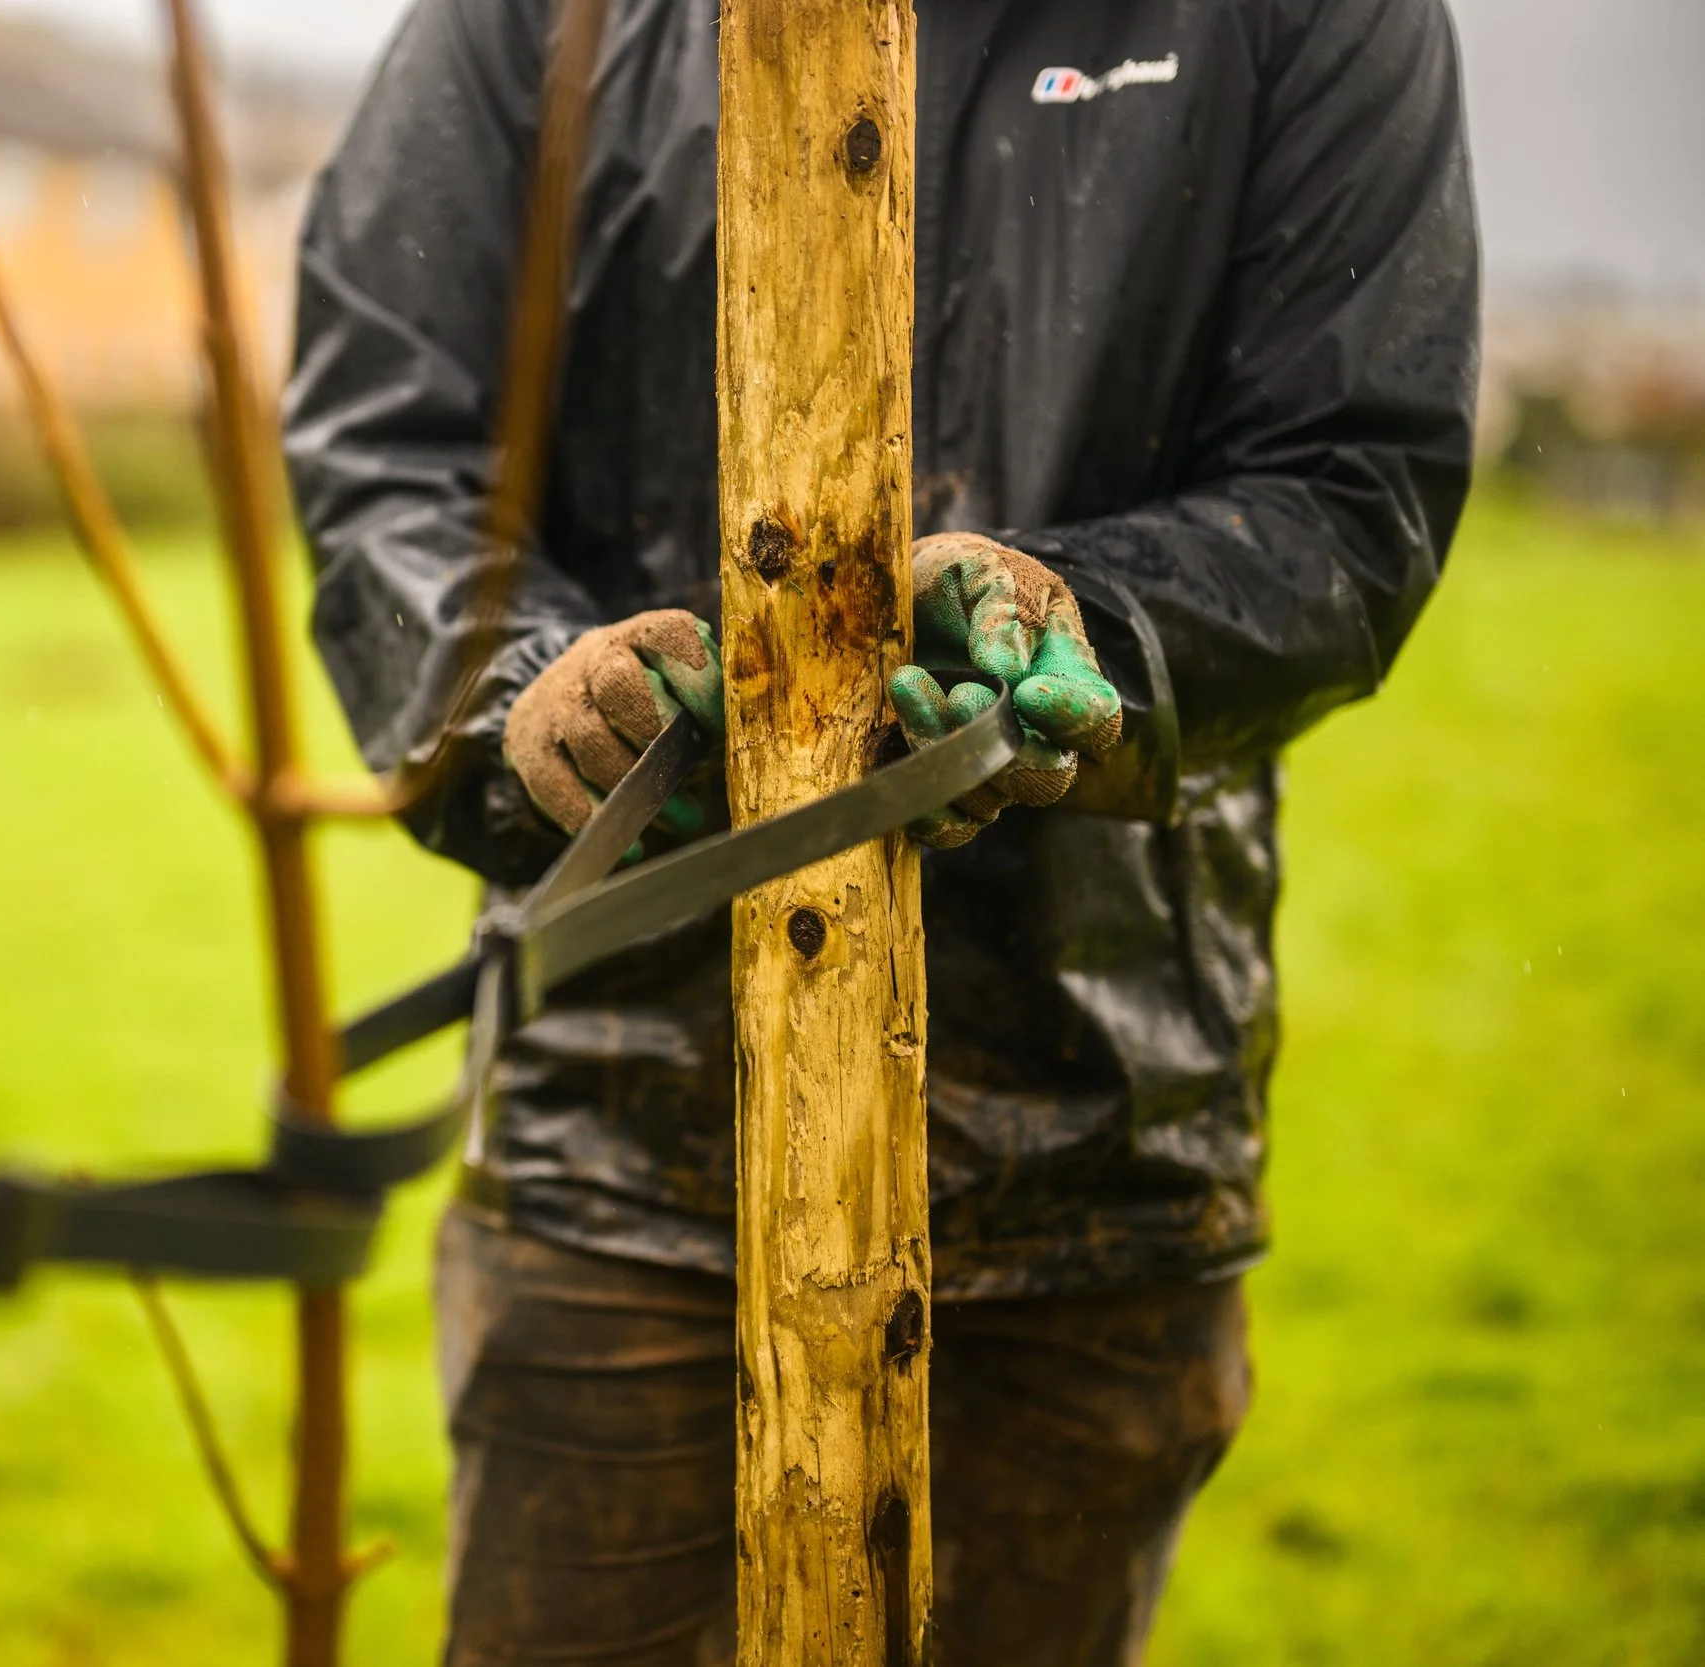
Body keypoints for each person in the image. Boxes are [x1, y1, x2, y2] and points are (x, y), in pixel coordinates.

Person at [282, 0, 1478, 1659]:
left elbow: (1357, 487)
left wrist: (1100, 631)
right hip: (622, 1157)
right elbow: (388, 445)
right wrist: (526, 689)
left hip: (1083, 1155)